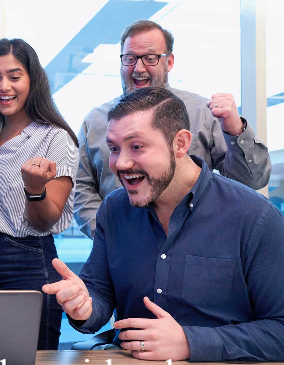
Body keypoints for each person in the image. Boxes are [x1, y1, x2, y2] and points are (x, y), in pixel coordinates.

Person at [44, 87, 284, 362]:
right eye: (114, 148)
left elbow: (280, 329)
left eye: (136, 146)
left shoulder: (254, 216)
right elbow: (99, 292)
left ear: (180, 144)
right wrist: (84, 306)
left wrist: (191, 343)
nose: (120, 163)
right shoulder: (114, 209)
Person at [74, 19, 271, 239]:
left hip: (196, 244)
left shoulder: (203, 113)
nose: (138, 68)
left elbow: (250, 182)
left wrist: (235, 132)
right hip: (120, 248)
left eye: (150, 58)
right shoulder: (95, 121)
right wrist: (109, 235)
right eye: (130, 58)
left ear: (169, 62)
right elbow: (81, 188)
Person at [0, 38, 79, 350]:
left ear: (33, 81)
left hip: (27, 261)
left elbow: (46, 220)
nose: (4, 86)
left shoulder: (56, 138)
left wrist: (34, 189)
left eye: (14, 76)